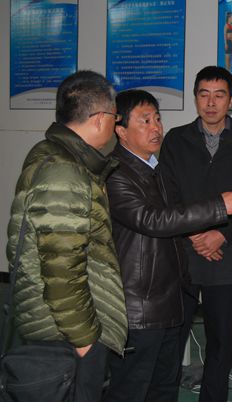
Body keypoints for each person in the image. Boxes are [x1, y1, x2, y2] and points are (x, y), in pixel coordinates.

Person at [103, 89, 232, 402]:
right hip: (139, 304)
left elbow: (176, 208)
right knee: (131, 387)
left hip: (167, 297)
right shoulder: (115, 173)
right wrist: (218, 208)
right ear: (121, 130)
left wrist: (209, 232)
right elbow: (153, 219)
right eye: (145, 121)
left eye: (157, 119)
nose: (156, 128)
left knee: (164, 385)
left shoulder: (153, 168)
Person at [6, 70, 128, 402]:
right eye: (115, 116)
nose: (115, 124)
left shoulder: (56, 155)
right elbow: (61, 268)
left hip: (59, 322)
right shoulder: (65, 171)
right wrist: (85, 338)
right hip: (66, 329)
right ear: (101, 119)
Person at [159, 66, 232, 402]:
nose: (211, 103)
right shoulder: (176, 139)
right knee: (171, 338)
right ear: (195, 99)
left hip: (225, 256)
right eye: (204, 95)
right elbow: (168, 193)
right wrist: (193, 234)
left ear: (231, 100)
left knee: (220, 342)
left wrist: (221, 235)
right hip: (182, 254)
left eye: (219, 95)